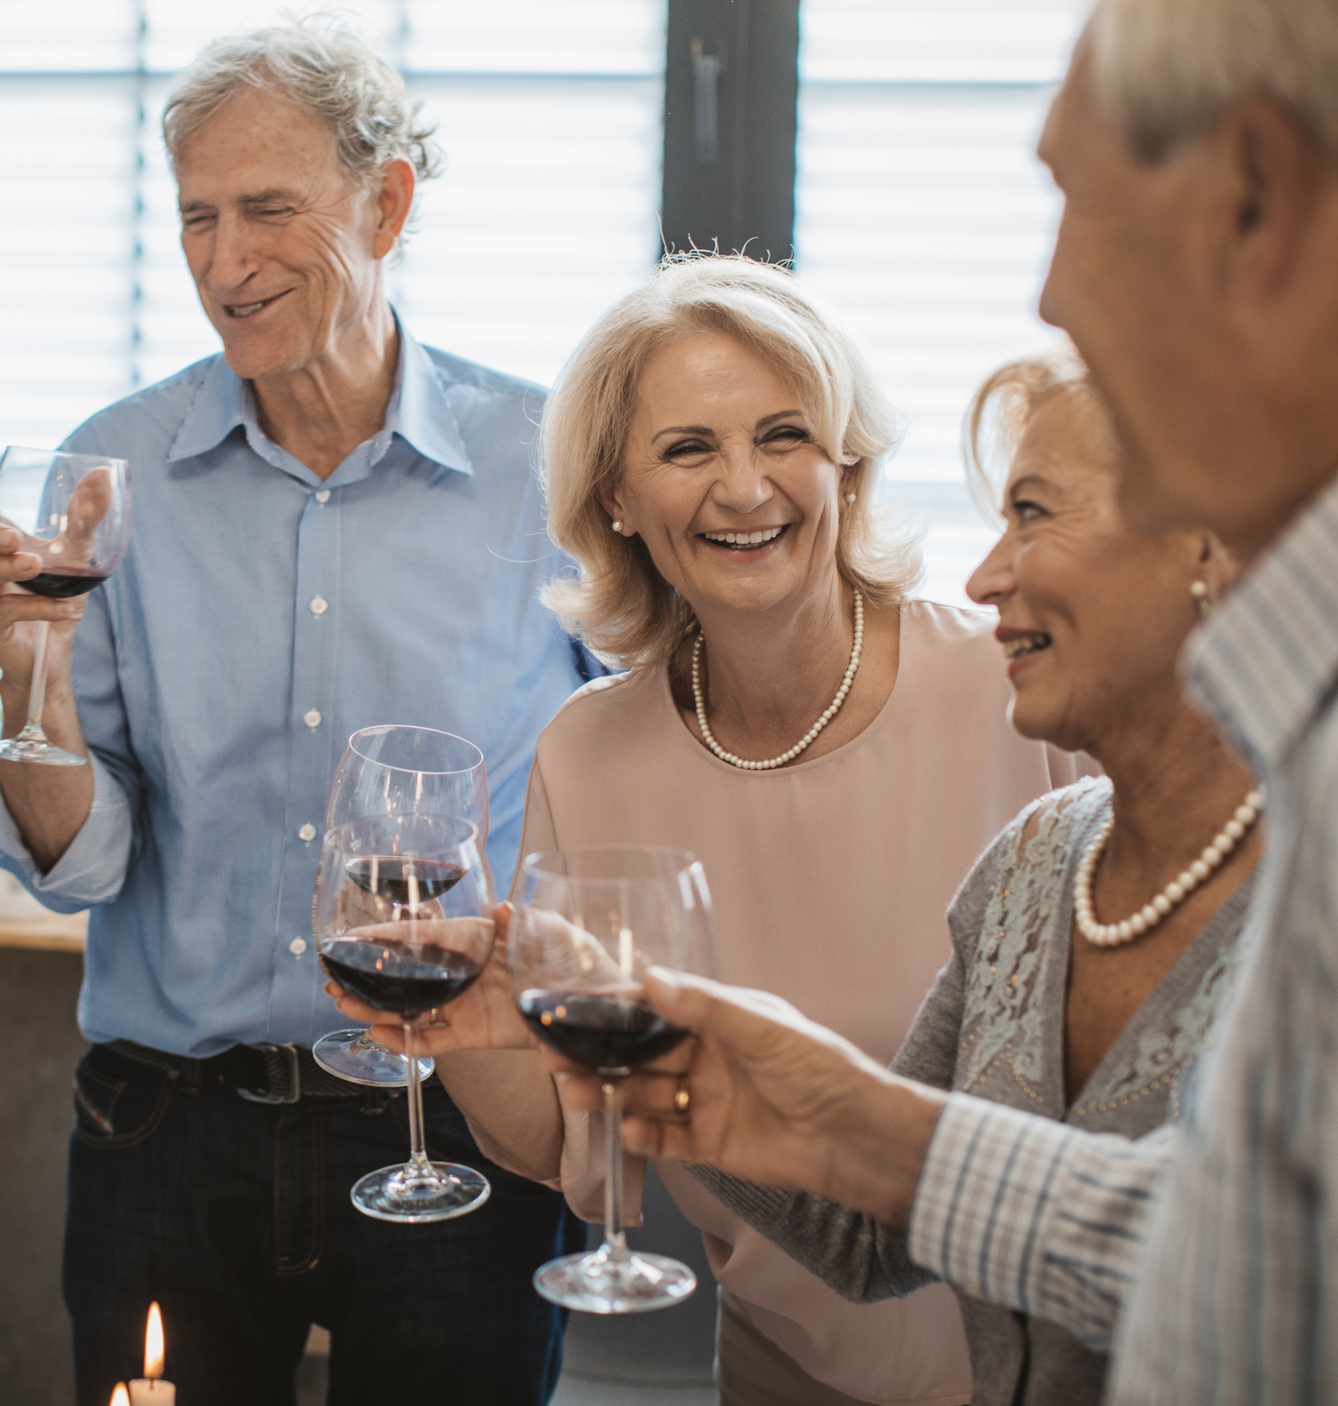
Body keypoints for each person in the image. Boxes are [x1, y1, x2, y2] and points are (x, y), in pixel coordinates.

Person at [535, 3, 1338, 1398]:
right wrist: (759, 1087)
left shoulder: (1267, 783)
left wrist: (837, 1113)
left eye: (1078, 201)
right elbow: (1212, 1243)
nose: (1051, 292)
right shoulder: (1040, 864)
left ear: (1255, 200)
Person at [0, 20, 588, 1406]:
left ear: (390, 201)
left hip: (460, 1124)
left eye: (266, 211)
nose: (223, 264)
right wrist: (31, 668)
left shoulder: (549, 470)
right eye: (195, 217)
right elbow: (83, 853)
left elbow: (641, 777)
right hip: (166, 1131)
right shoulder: (113, 470)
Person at [328, 254, 1083, 1406]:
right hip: (790, 1367)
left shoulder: (1015, 689)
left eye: (783, 435)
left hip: (1071, 1367)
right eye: (689, 448)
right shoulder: (590, 753)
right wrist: (454, 1012)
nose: (744, 488)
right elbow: (565, 1144)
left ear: (846, 462)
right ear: (617, 498)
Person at [652, 345, 1258, 1406]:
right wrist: (670, 1055)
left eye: (1032, 512)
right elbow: (874, 1233)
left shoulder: (1308, 890)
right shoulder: (1035, 860)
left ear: (1208, 539)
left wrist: (864, 1111)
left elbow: (1266, 1282)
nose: (983, 577)